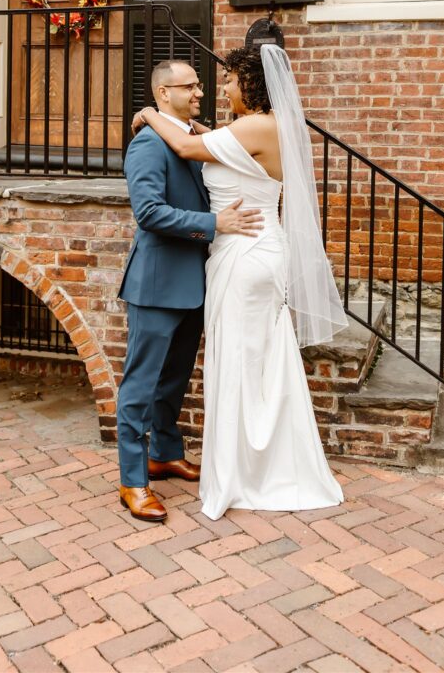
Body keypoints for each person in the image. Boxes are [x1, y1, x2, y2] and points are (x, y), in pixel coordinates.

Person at [132, 45, 345, 519]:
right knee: (256, 360)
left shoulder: (256, 126)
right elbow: (210, 139)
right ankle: (256, 463)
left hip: (246, 255)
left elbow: (188, 147)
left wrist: (149, 113)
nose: (220, 88)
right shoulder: (262, 126)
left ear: (250, 84)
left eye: (228, 80)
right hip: (256, 251)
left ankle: (245, 474)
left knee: (239, 361)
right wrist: (182, 124)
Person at [117, 58, 263, 522]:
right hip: (157, 285)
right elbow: (149, 213)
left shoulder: (193, 138)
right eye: (190, 86)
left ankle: (164, 454)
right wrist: (215, 223)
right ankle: (133, 481)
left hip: (195, 284)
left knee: (174, 380)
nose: (200, 92)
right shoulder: (147, 144)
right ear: (164, 93)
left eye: (200, 85)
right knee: (141, 384)